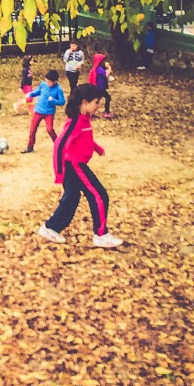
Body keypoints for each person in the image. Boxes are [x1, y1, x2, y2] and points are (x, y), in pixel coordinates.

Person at [38, 83, 123, 248]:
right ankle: (101, 235)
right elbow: (59, 146)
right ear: (85, 102)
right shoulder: (74, 122)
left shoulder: (85, 120)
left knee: (71, 197)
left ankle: (50, 228)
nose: (98, 106)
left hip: (76, 163)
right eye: (96, 102)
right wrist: (59, 173)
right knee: (99, 195)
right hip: (73, 165)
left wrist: (97, 148)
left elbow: (84, 139)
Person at [24, 70, 66, 152]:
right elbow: (38, 92)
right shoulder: (43, 84)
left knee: (50, 129)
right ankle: (30, 147)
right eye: (46, 81)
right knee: (32, 129)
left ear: (55, 81)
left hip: (49, 112)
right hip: (38, 110)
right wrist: (30, 94)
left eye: (49, 82)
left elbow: (62, 102)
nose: (47, 83)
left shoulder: (58, 89)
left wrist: (53, 100)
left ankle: (58, 145)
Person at [88, 53, 114, 118]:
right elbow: (105, 75)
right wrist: (109, 67)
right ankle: (106, 112)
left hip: (99, 88)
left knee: (97, 100)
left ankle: (90, 113)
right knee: (105, 98)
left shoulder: (98, 68)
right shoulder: (99, 69)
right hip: (100, 88)